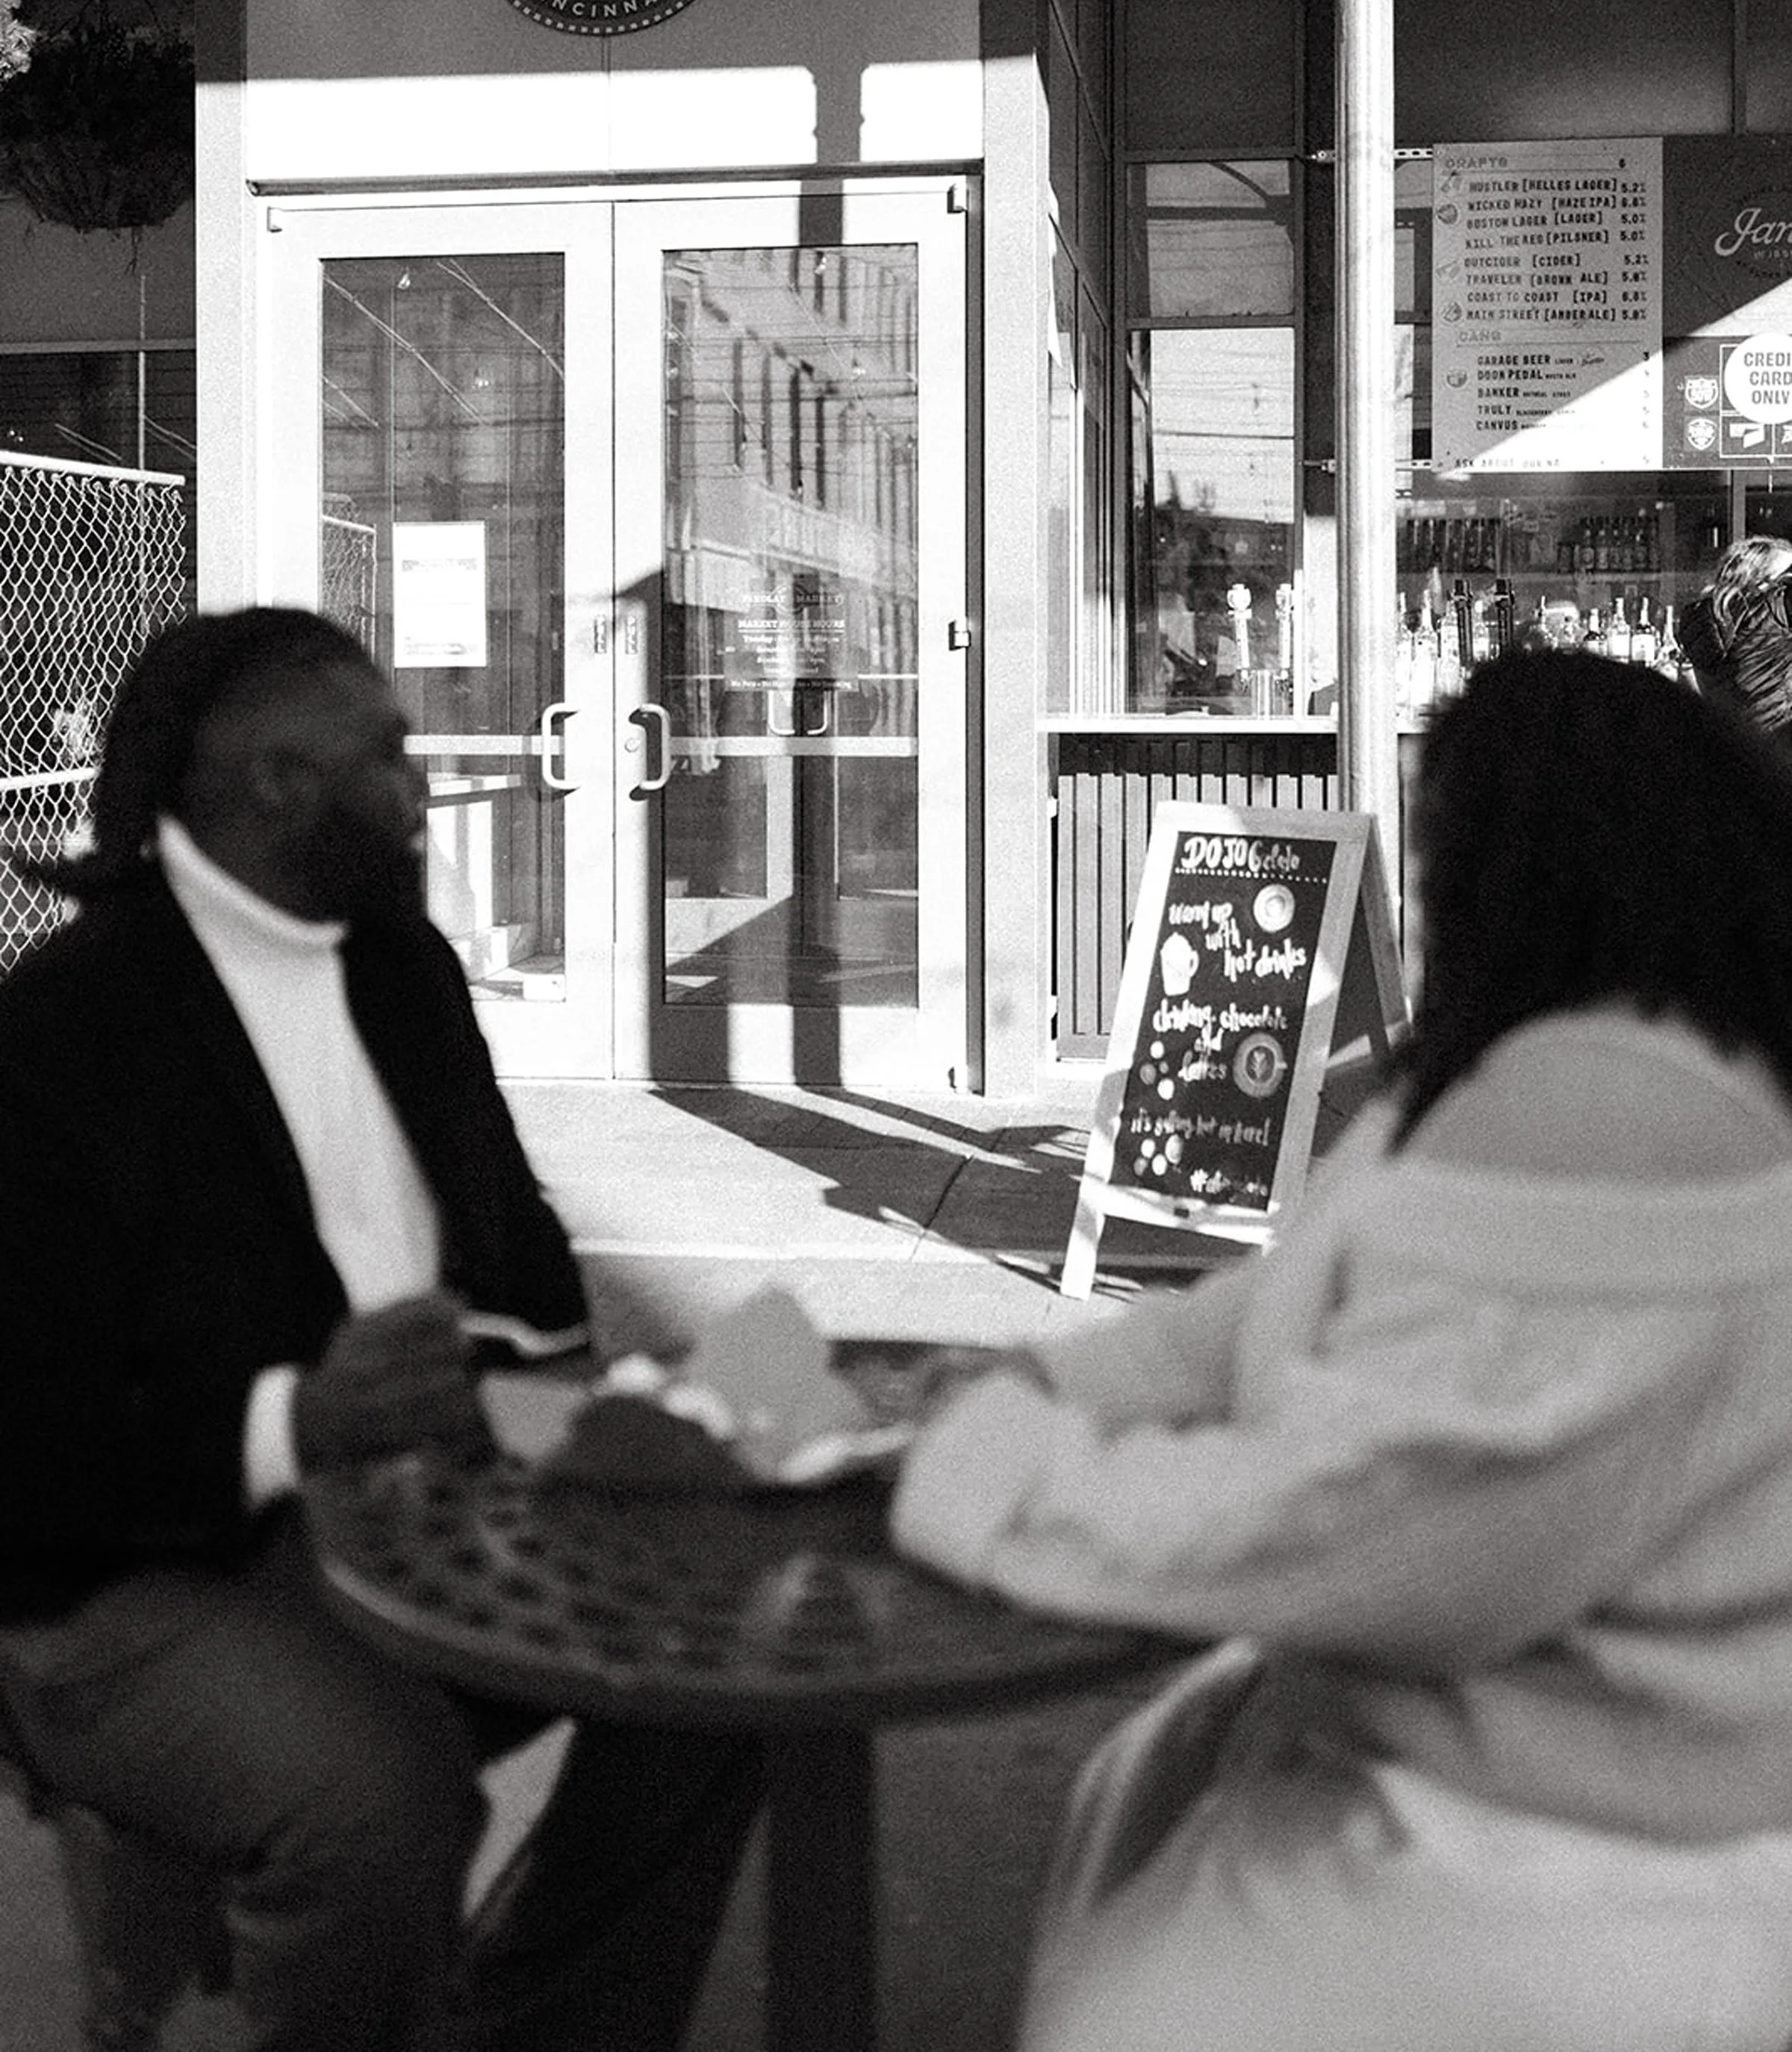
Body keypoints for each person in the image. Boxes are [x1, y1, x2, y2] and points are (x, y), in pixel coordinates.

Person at [893, 645, 1792, 2052]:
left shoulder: (1610, 1119)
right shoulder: (1541, 1067)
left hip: (1606, 1861)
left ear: (1520, 859)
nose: (1425, 896)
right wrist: (1051, 1380)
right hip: (1517, 1770)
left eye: (1441, 847)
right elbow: (1265, 1310)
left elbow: (1365, 1528)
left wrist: (994, 1464)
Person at [0, 606, 759, 2052]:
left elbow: (520, 1257)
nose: (422, 786)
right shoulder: (63, 1035)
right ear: (276, 785)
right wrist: (297, 1416)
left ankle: (533, 2018)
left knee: (719, 1659)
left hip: (430, 1501)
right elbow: (30, 1447)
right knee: (380, 1792)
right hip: (129, 1573)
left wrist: (587, 1401)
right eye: (391, 753)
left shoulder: (403, 967)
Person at [1677, 532, 1792, 736]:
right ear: (1762, 581)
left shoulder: (1702, 616)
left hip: (1730, 741)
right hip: (1779, 738)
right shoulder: (1776, 607)